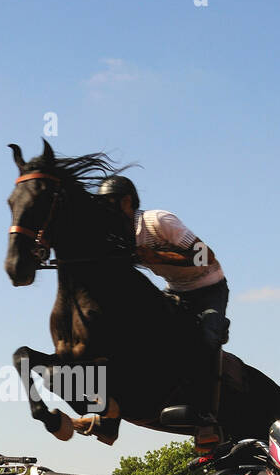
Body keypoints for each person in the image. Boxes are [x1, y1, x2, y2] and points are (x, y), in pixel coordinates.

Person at [98, 175, 229, 420]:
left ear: (127, 202)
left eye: (109, 205)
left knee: (207, 338)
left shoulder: (157, 221)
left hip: (209, 290)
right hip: (175, 291)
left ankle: (204, 413)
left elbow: (206, 256)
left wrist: (159, 257)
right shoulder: (115, 234)